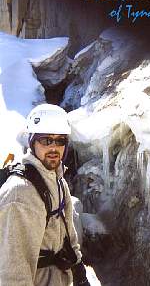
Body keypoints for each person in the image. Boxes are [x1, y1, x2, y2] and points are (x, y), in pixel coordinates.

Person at [0, 104, 90, 286]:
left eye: (60, 141)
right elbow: (13, 272)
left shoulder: (57, 179)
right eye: (46, 140)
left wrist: (79, 270)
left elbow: (67, 231)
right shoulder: (21, 194)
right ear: (32, 142)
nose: (54, 147)